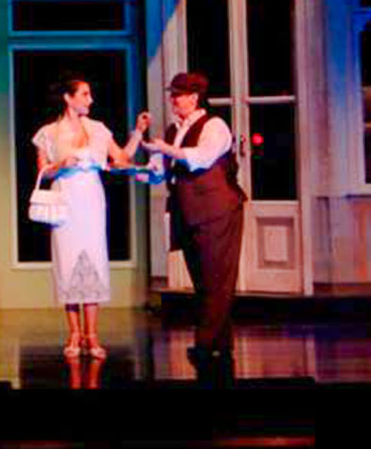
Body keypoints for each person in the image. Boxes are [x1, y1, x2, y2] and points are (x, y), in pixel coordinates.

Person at [32, 74, 148, 360]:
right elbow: (43, 172)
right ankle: (74, 334)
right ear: (68, 98)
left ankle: (93, 335)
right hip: (65, 199)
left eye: (89, 94)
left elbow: (121, 158)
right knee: (68, 263)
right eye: (84, 94)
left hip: (91, 201)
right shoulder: (48, 132)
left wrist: (138, 132)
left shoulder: (98, 129)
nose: (90, 99)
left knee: (93, 261)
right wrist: (60, 163)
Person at [142, 71, 245, 378]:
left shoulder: (214, 125)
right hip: (188, 211)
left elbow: (200, 158)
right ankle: (221, 344)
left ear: (194, 97)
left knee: (217, 278)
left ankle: (203, 344)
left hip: (217, 210)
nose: (173, 99)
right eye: (172, 94)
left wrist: (165, 149)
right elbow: (159, 172)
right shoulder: (175, 130)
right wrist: (132, 167)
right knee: (203, 280)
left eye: (179, 94)